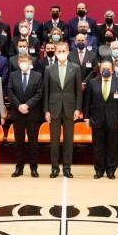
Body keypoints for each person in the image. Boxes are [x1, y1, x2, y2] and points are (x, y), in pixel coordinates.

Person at [42, 42, 82, 178]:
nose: (61, 53)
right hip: (54, 108)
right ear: (55, 52)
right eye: (58, 51)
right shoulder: (48, 69)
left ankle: (67, 168)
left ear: (68, 52)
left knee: (68, 140)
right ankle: (54, 168)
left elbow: (78, 91)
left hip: (70, 108)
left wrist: (78, 109)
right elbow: (46, 91)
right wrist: (46, 110)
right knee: (54, 140)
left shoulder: (75, 68)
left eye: (63, 51)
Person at [85, 59, 118, 179]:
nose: (106, 71)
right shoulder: (92, 82)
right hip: (97, 120)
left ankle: (111, 170)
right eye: (103, 69)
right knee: (98, 147)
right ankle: (99, 170)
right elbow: (87, 102)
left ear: (112, 70)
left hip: (114, 120)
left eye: (108, 69)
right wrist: (87, 118)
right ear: (100, 70)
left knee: (112, 147)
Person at [7, 51, 43, 178]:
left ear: (30, 63)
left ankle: (34, 167)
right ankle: (19, 167)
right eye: (21, 61)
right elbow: (10, 91)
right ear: (18, 63)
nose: (23, 63)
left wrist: (27, 105)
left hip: (32, 113)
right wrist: (19, 105)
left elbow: (39, 93)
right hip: (17, 113)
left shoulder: (37, 76)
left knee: (33, 142)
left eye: (25, 61)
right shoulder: (13, 75)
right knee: (19, 142)